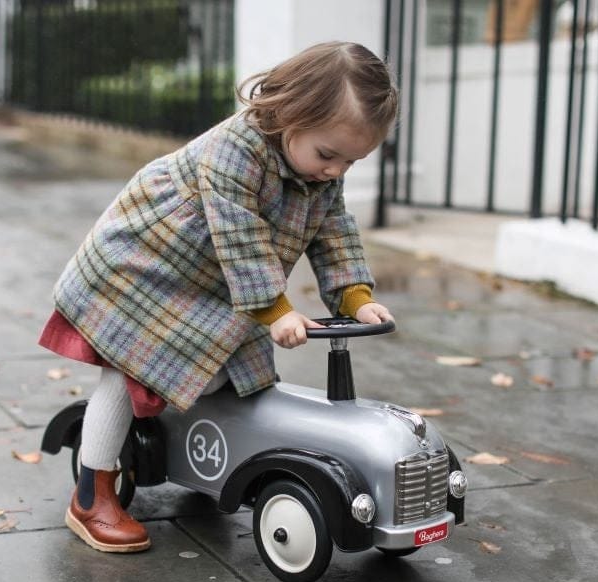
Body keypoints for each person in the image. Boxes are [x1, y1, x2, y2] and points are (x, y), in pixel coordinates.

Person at [39, 41, 398, 553]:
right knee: (127, 372)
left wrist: (355, 297)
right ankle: (91, 495)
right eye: (327, 154)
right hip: (148, 266)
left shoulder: (320, 174)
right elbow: (241, 238)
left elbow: (334, 231)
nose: (336, 170)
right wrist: (276, 311)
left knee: (224, 374)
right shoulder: (234, 151)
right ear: (289, 115)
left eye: (351, 161)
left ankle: (190, 453)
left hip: (211, 282)